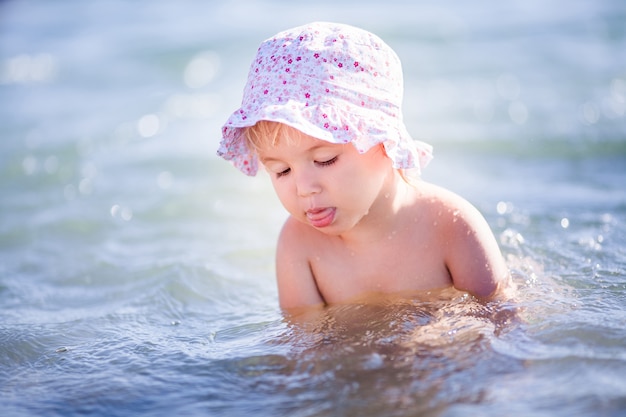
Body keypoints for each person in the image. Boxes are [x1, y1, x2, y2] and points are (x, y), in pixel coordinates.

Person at [218, 22, 511, 311]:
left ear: (383, 142)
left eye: (325, 160)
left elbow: (501, 325)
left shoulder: (452, 226)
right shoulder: (298, 245)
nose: (304, 188)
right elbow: (304, 346)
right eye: (282, 170)